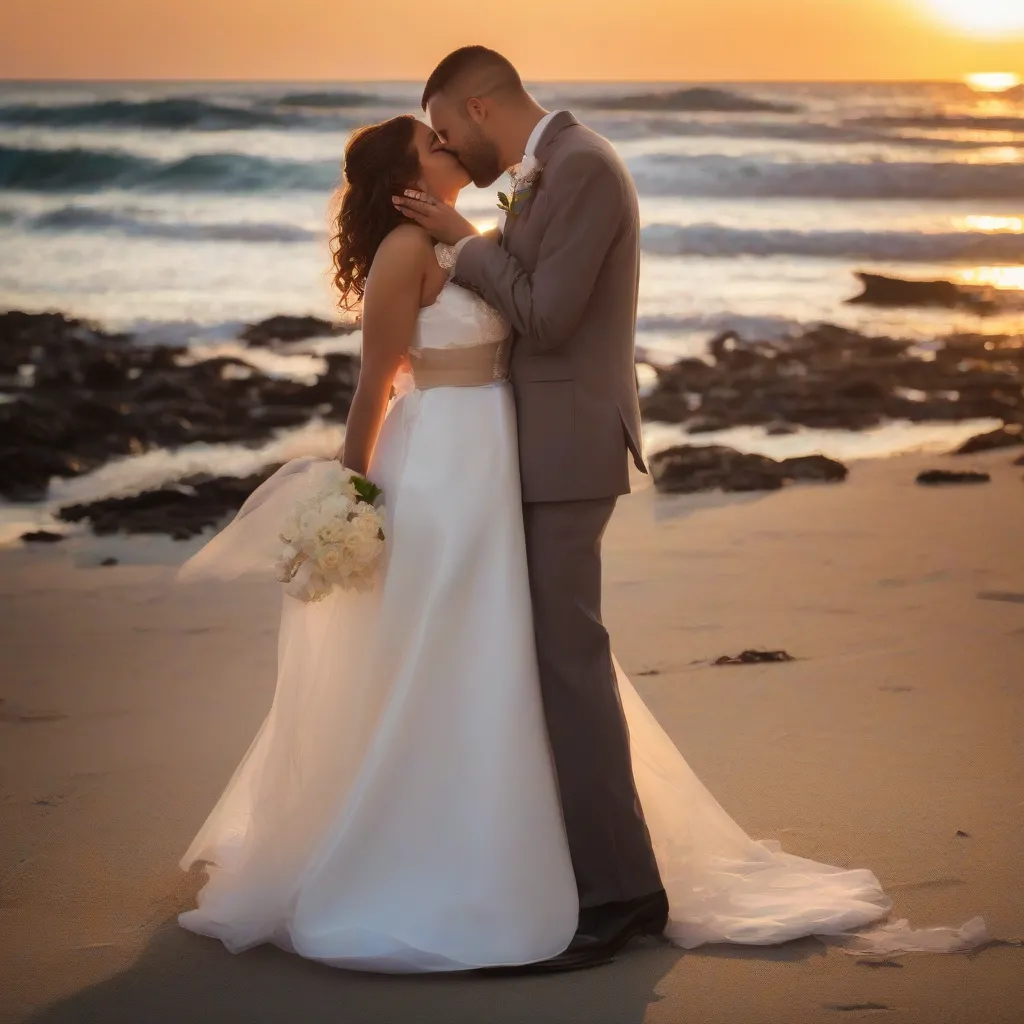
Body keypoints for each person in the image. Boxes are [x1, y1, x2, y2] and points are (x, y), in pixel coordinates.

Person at [174, 47, 984, 974]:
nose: (445, 144)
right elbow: (407, 362)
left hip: (549, 448)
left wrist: (465, 237)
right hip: (478, 457)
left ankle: (618, 888)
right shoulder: (506, 195)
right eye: (428, 142)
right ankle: (582, 870)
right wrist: (356, 477)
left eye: (445, 125)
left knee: (558, 657)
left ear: (477, 107)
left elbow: (547, 317)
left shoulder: (582, 169)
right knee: (514, 653)